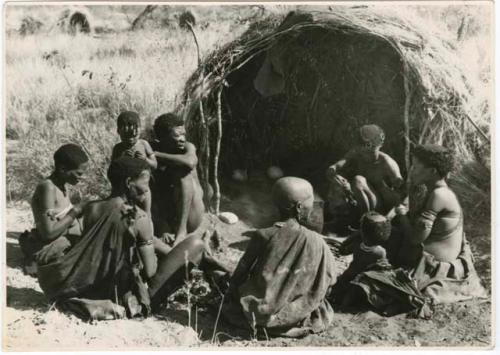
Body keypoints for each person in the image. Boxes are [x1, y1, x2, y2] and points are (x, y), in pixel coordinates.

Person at [35, 156, 228, 320]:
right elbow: (151, 273)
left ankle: (209, 267)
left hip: (90, 287)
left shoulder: (92, 208)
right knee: (195, 243)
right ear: (129, 183)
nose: (146, 189)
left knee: (173, 250)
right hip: (121, 296)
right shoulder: (138, 218)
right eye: (144, 184)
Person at [221, 177, 337, 338]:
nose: (314, 205)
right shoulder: (317, 241)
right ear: (299, 207)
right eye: (311, 200)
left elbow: (241, 271)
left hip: (258, 311)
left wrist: (230, 295)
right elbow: (329, 280)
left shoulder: (263, 234)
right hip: (298, 312)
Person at [392, 144, 487, 302]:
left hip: (434, 266)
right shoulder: (429, 190)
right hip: (427, 258)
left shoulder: (439, 195)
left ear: (432, 171)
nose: (412, 171)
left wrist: (402, 217)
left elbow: (416, 238)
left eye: (416, 167)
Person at [19, 143, 89, 276]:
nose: (81, 177)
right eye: (79, 173)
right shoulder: (48, 188)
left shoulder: (62, 185)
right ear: (63, 169)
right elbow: (48, 233)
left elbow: (61, 216)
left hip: (60, 239)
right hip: (47, 245)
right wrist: (75, 211)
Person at [326, 124, 404, 221]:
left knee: (358, 180)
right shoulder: (357, 153)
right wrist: (333, 169)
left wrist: (391, 216)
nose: (364, 150)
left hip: (381, 207)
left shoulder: (387, 162)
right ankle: (343, 220)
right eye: (362, 146)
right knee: (339, 182)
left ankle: (366, 222)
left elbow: (399, 193)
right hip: (362, 200)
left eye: (368, 146)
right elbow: (342, 162)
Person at [151, 113, 205, 245]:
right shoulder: (153, 147)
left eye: (184, 135)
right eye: (177, 135)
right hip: (168, 216)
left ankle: (181, 232)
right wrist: (162, 226)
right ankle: (164, 227)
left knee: (182, 173)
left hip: (191, 217)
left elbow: (190, 162)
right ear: (162, 137)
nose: (182, 139)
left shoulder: (188, 147)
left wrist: (156, 155)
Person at [331, 211, 392, 305]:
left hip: (355, 276)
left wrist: (352, 237)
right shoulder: (380, 251)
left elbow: (343, 251)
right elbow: (381, 269)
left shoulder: (358, 245)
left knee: (342, 291)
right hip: (359, 278)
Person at [111, 111, 157, 216]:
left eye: (134, 135)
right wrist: (121, 159)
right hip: (124, 189)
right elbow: (113, 169)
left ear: (139, 130)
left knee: (146, 213)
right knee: (122, 212)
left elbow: (155, 165)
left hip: (143, 187)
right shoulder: (118, 148)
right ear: (118, 131)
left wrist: (145, 159)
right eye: (126, 136)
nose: (131, 139)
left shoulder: (144, 144)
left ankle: (148, 230)